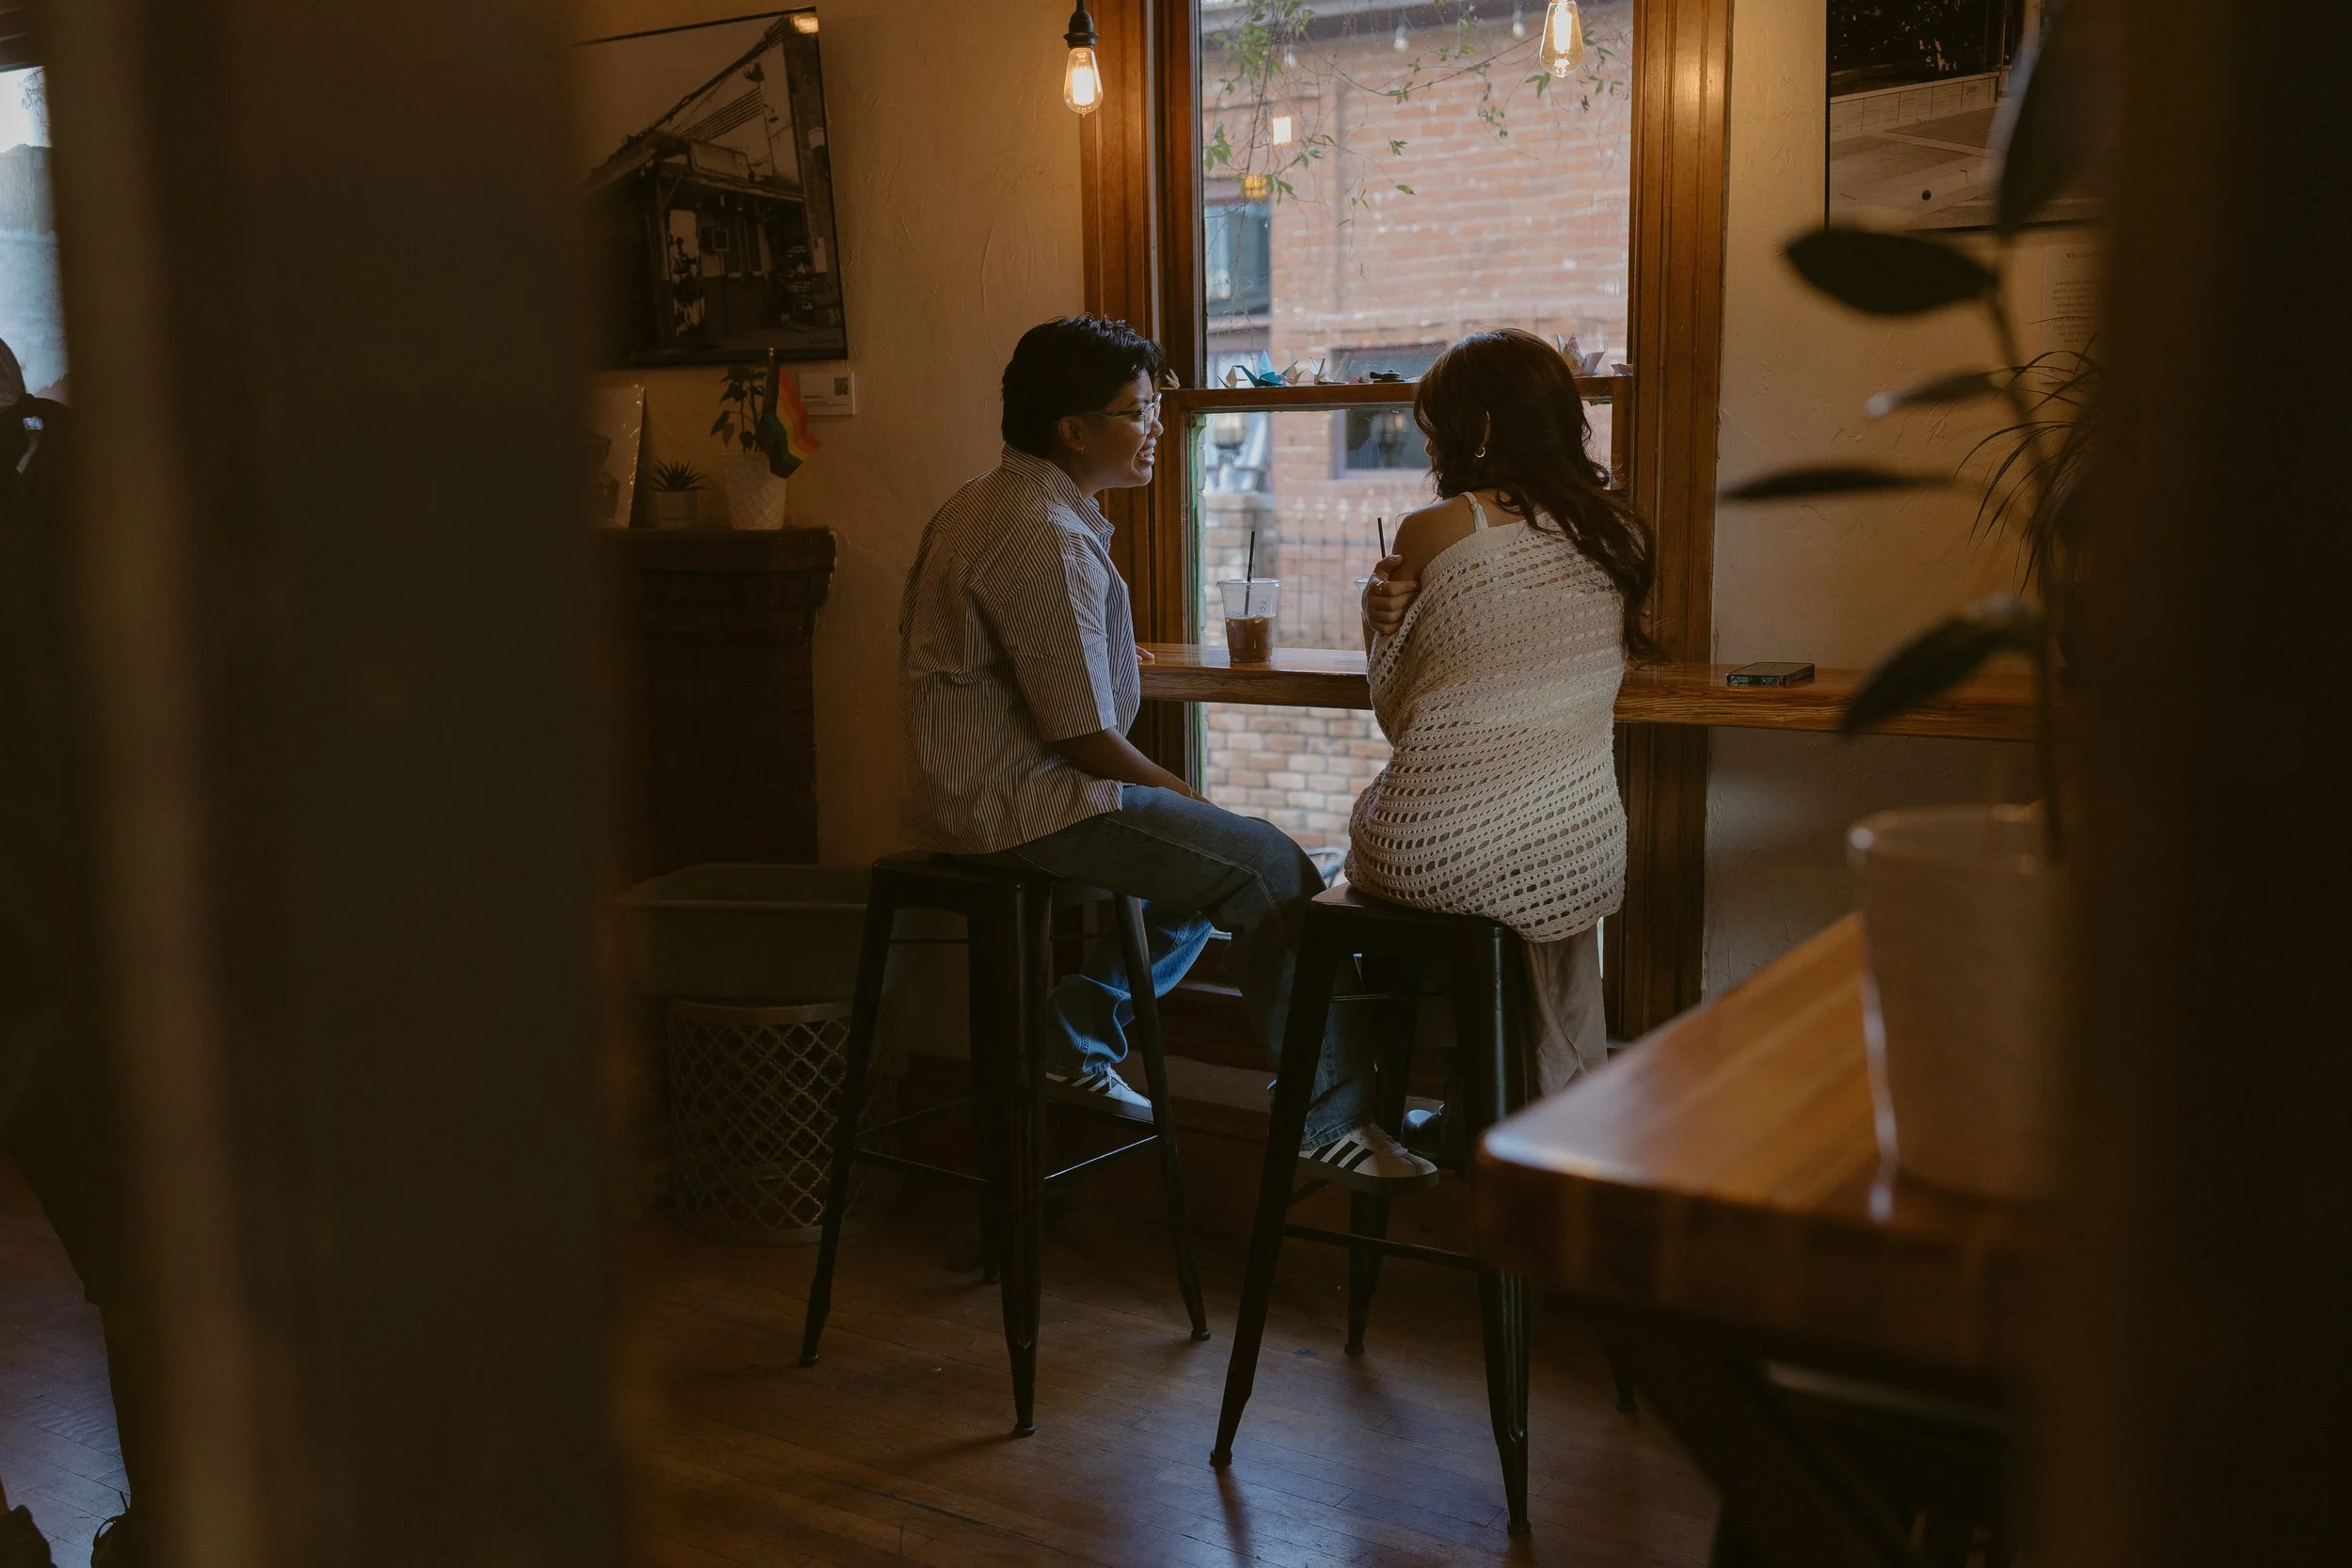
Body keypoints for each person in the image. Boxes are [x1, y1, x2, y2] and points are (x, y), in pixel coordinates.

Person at [898, 315, 1436, 1190]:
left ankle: (1070, 1039)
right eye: (1140, 410)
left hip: (964, 788)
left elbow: (1014, 656)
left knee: (1202, 855)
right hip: (1015, 800)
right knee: (1263, 863)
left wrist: (1109, 644)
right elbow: (1078, 732)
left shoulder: (986, 501)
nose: (1156, 427)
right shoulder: (1043, 532)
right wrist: (1188, 797)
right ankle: (1331, 1118)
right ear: (1073, 431)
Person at [1350, 328, 1658, 1149]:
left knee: (1391, 863)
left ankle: (1396, 1101)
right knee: (1514, 882)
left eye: (1435, 424)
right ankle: (1499, 1109)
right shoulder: (1615, 533)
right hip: (1579, 844)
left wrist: (1374, 621)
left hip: (1437, 850)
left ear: (1477, 428)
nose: (1428, 443)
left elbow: (1398, 708)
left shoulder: (1434, 529)